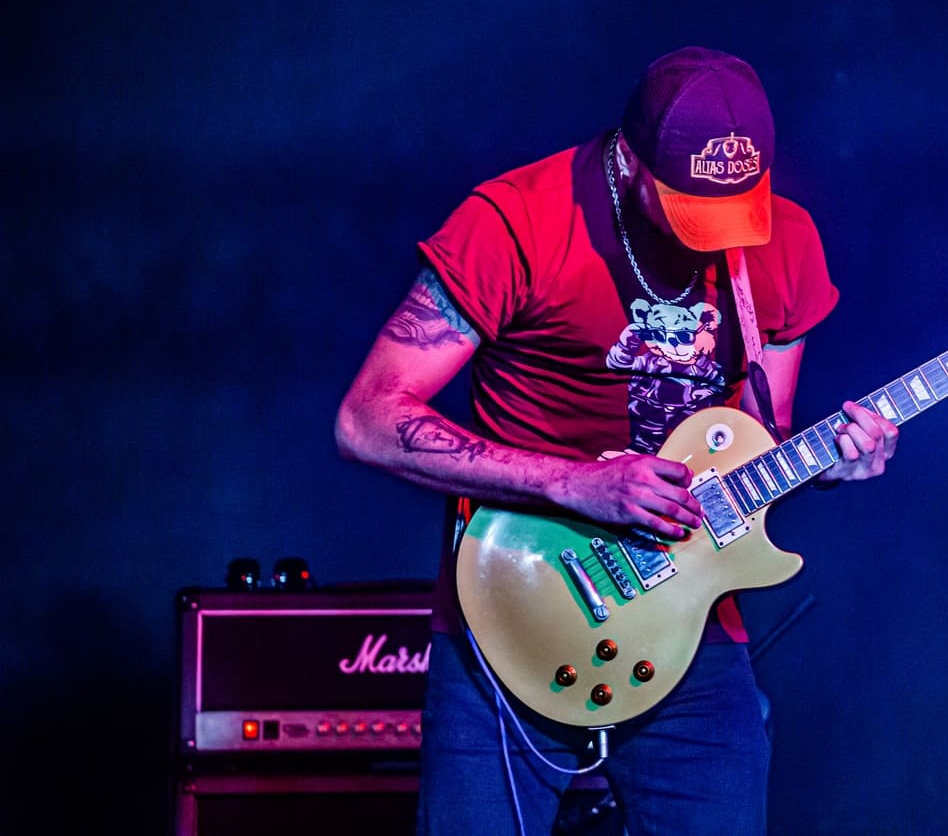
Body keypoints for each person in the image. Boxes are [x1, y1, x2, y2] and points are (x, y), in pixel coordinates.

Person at [335, 46, 898, 835]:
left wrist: (831, 463)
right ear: (630, 163)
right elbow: (366, 419)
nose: (715, 237)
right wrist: (574, 483)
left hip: (692, 624)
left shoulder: (786, 242)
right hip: (520, 607)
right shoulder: (515, 222)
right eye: (694, 208)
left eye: (735, 206)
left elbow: (756, 441)